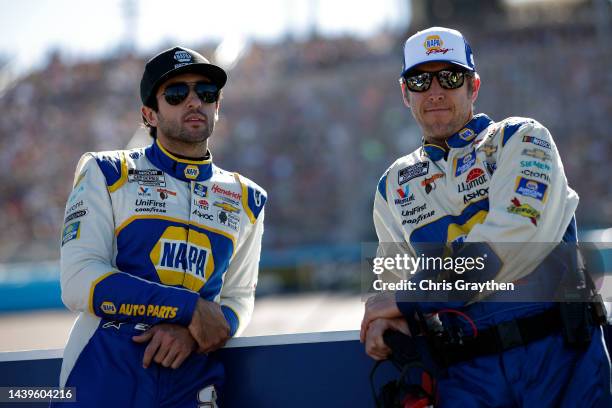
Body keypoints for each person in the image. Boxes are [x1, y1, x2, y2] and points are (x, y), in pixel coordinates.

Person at [360, 27, 611, 406]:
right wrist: (383, 320)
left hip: (559, 357)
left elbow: (514, 238)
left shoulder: (522, 137)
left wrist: (409, 299)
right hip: (465, 375)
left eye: (450, 76)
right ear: (405, 94)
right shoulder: (392, 185)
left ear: (473, 86)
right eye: (420, 80)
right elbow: (388, 282)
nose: (436, 90)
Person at [53, 46, 267, 407]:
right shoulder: (107, 173)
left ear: (218, 106)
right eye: (176, 93)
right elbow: (77, 280)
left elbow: (238, 298)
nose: (194, 101)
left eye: (206, 93)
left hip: (191, 381)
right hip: (103, 374)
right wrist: (186, 308)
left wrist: (192, 333)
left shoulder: (247, 198)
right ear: (149, 113)